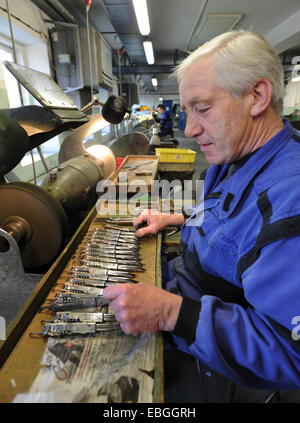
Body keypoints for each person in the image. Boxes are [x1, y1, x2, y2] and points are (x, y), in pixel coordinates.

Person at [103, 30, 300, 401]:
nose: (190, 128)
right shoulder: (236, 157)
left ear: (257, 97)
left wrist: (171, 315)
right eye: (188, 109)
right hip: (185, 296)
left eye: (203, 109)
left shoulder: (291, 202)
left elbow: (291, 352)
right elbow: (227, 217)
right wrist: (177, 219)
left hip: (217, 363)